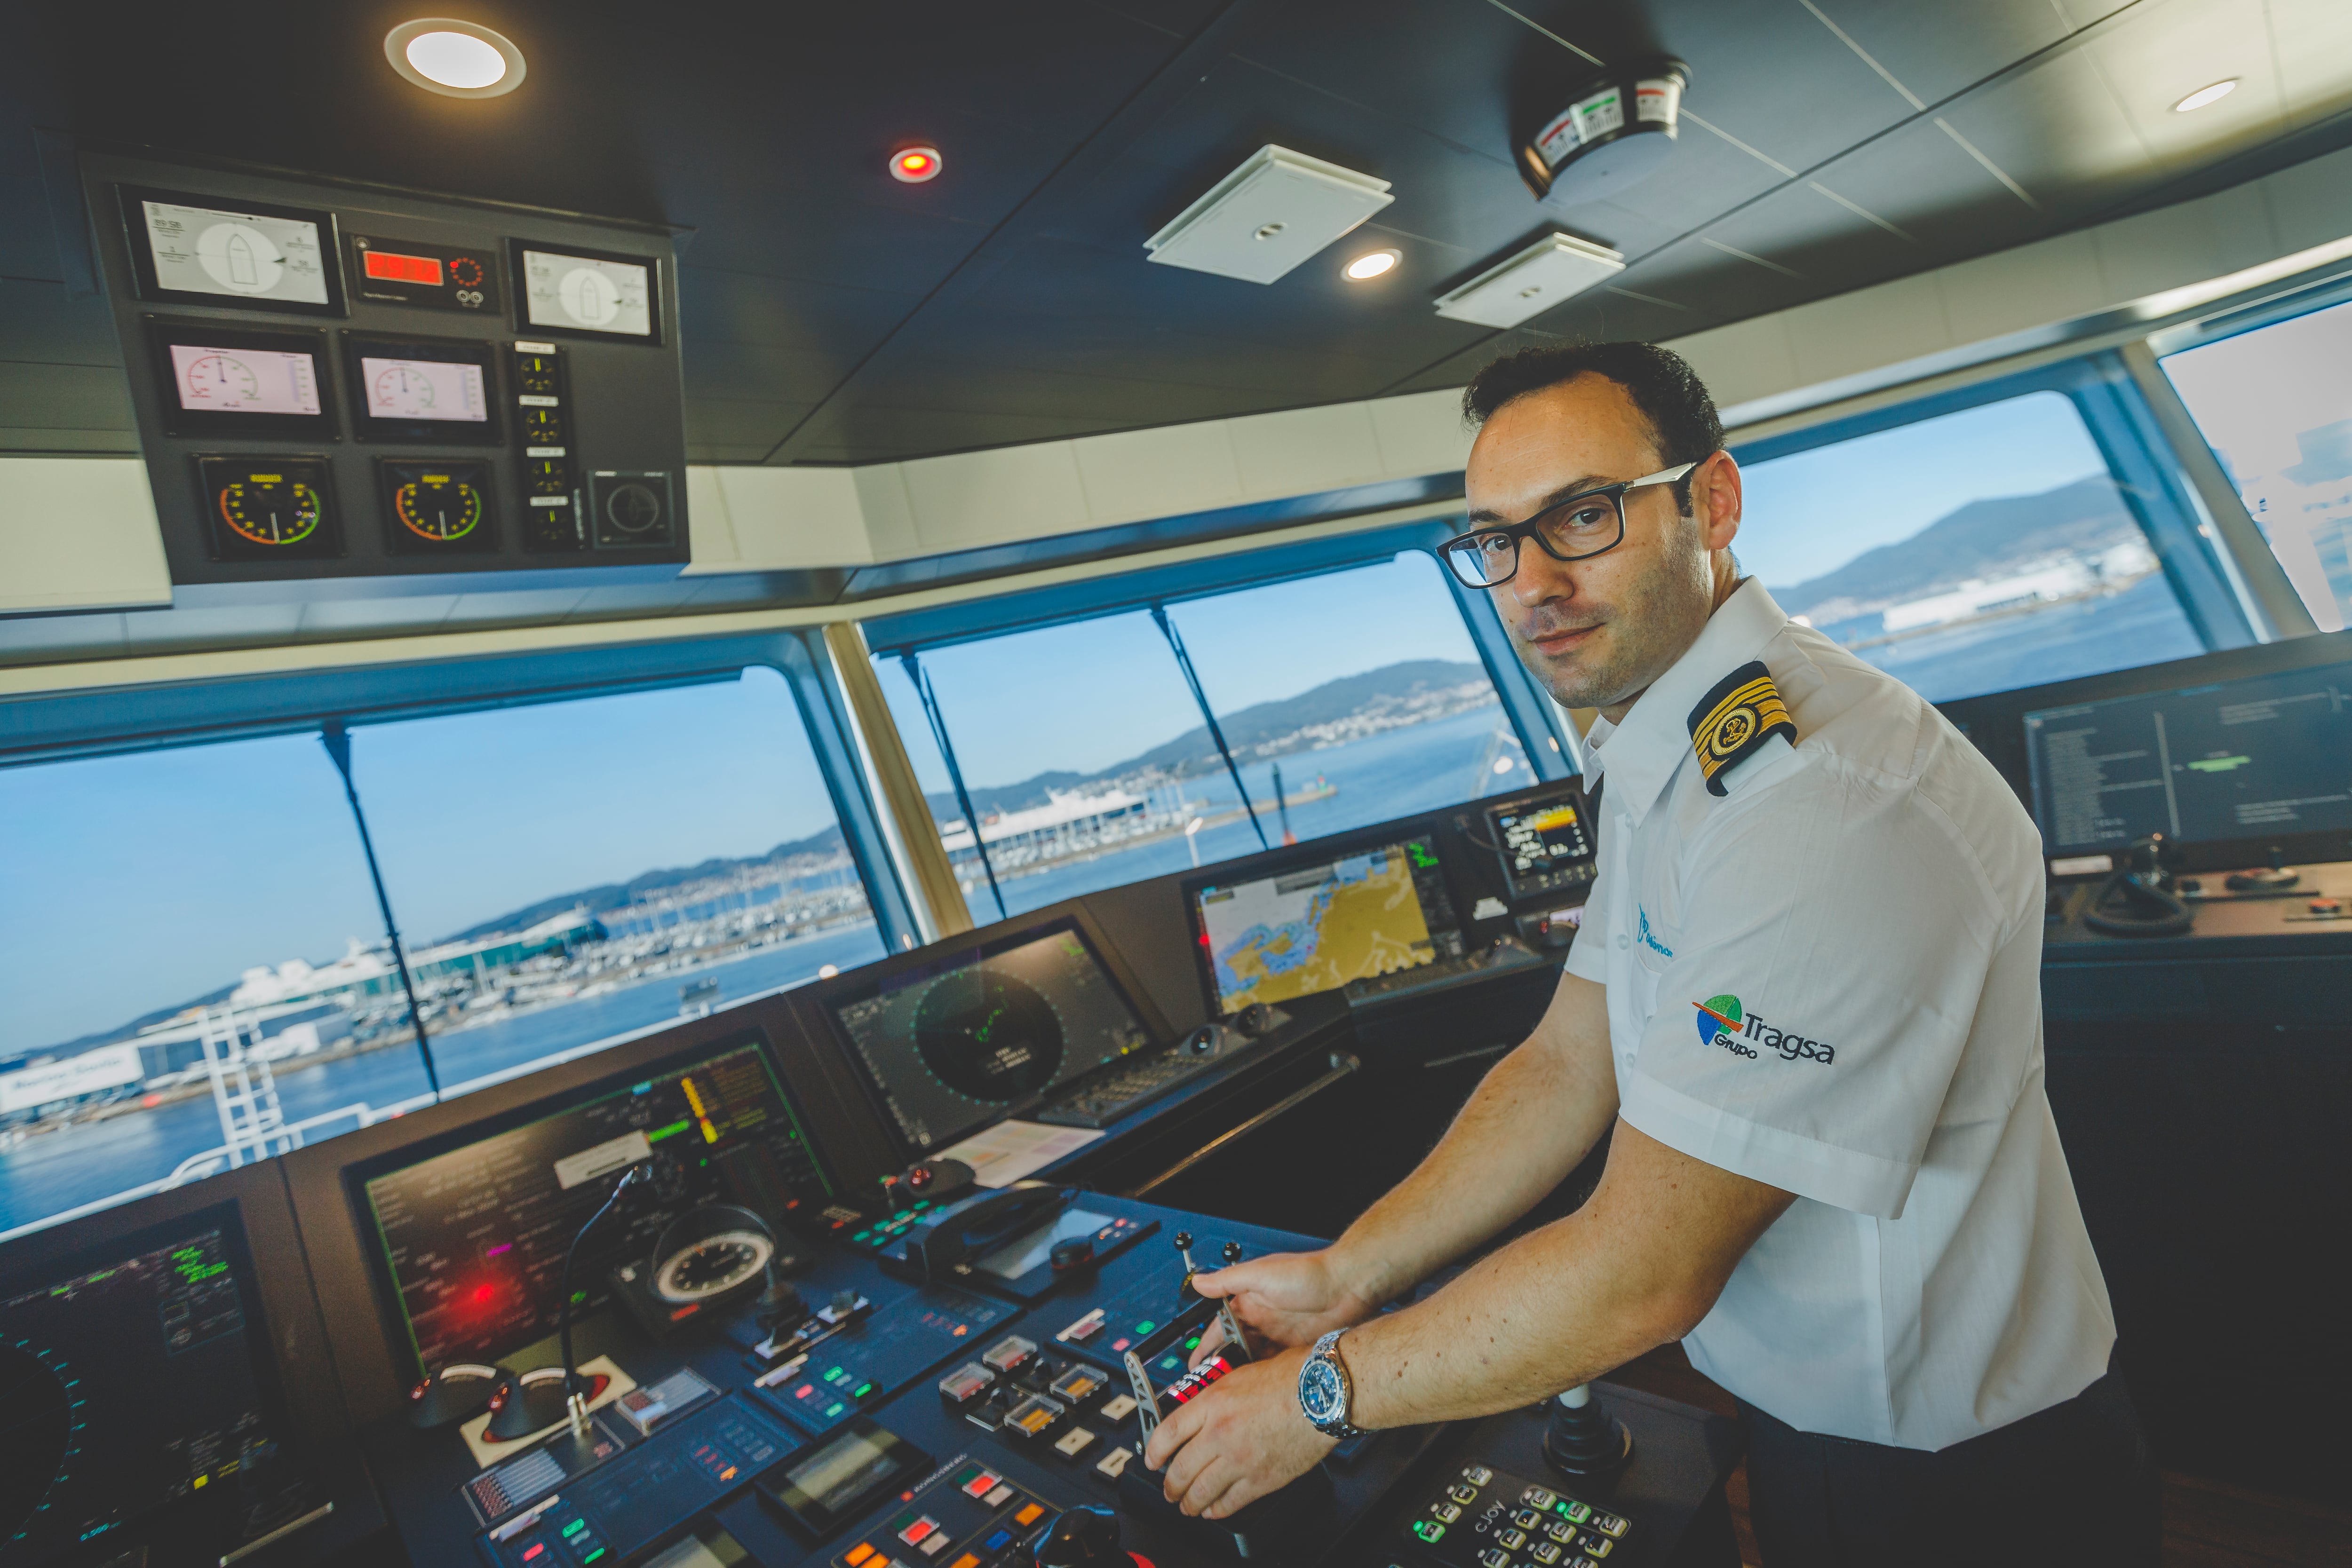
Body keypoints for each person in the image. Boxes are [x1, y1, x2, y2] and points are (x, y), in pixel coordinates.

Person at [1140, 342, 2158, 1563]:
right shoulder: (1655, 749)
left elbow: (1643, 1272)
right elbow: (1569, 1062)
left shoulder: (1827, 805)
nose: (1534, 583)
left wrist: (1323, 1395)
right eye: (1496, 543)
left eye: (1583, 515)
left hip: (1960, 1471)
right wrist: (1348, 1274)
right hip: (1808, 1415)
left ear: (1711, 501)